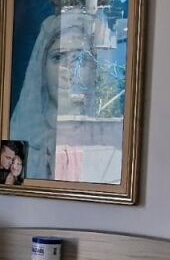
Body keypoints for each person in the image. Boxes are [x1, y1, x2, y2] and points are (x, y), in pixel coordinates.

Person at [9, 9, 103, 180]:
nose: (68, 71)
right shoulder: (23, 133)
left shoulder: (104, 138)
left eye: (80, 59)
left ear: (93, 69)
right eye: (58, 57)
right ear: (42, 66)